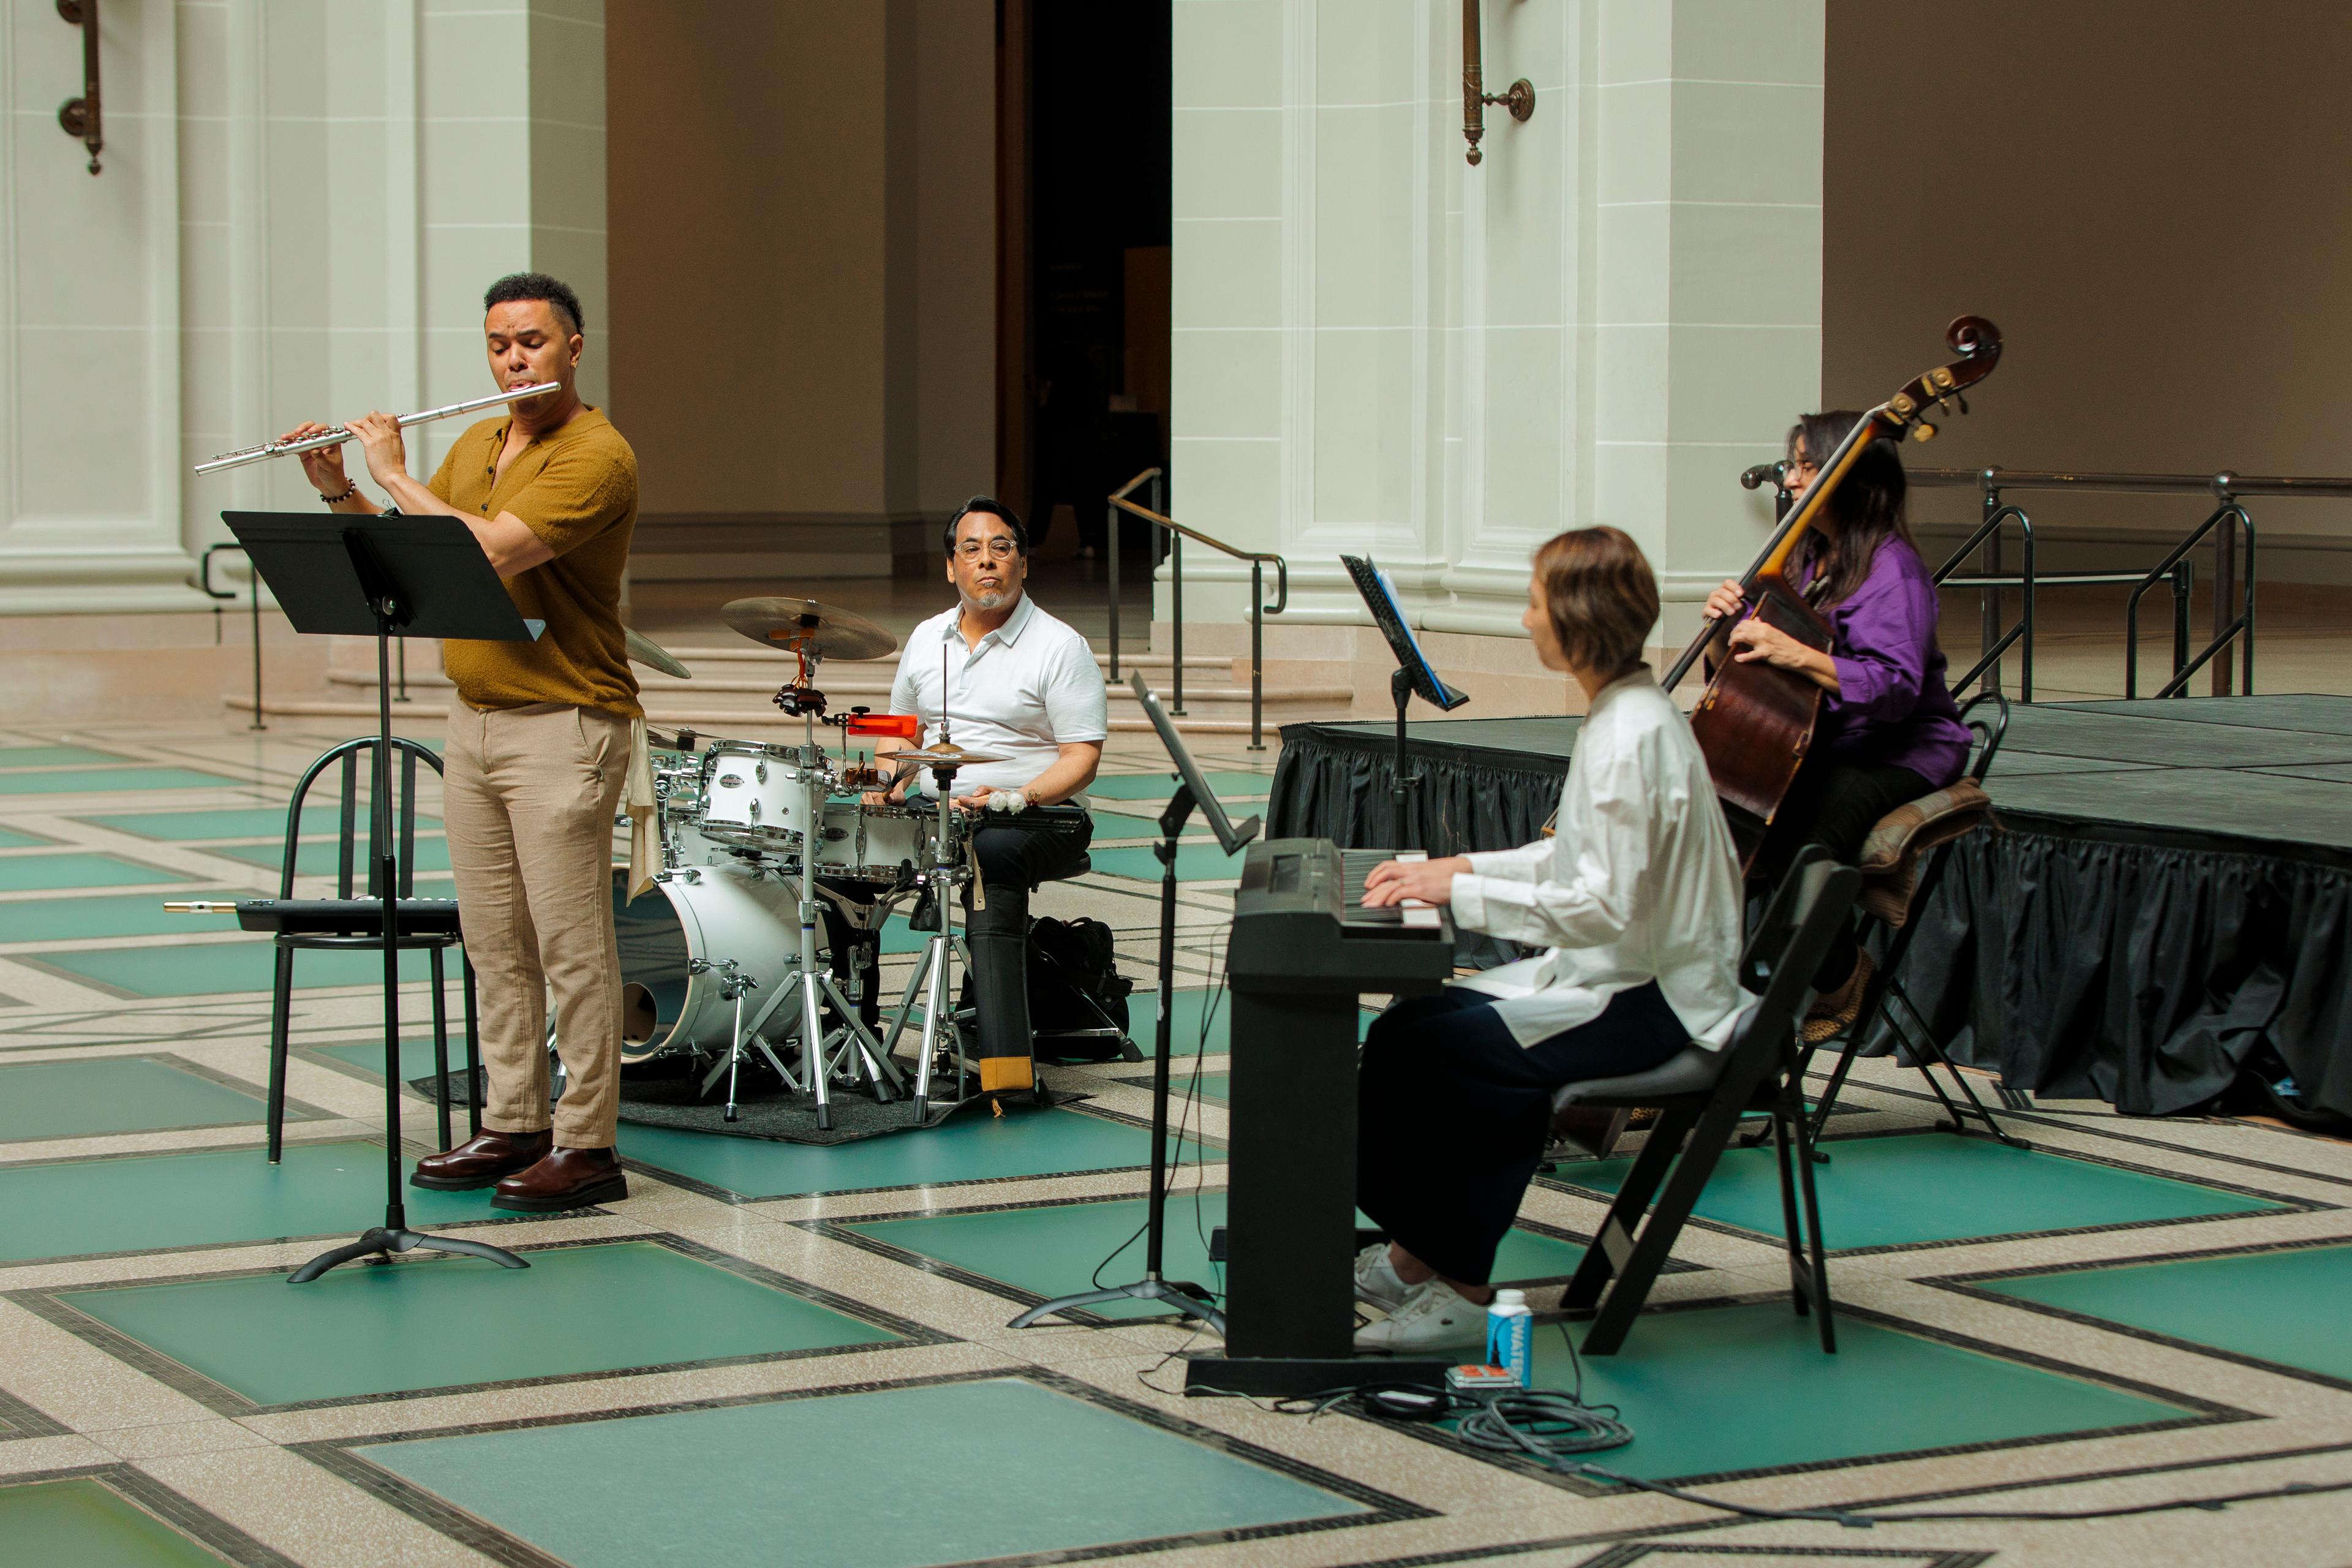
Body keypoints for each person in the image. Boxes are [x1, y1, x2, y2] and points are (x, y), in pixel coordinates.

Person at [283, 271, 641, 1212]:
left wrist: (398, 471)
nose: (512, 358)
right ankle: (515, 1118)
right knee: (494, 943)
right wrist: (343, 491)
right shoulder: (483, 439)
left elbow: (489, 549)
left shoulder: (599, 455)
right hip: (474, 718)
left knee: (570, 947)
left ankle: (588, 1144)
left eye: (531, 341)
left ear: (573, 347)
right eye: (497, 344)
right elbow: (417, 552)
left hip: (566, 718)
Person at [1351, 527, 1746, 1352]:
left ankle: (1460, 1290)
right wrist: (1458, 865)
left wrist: (1456, 892)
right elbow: (1574, 857)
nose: (1527, 620)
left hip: (1656, 999)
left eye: (1535, 603)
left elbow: (1598, 905)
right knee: (1403, 1031)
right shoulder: (1627, 713)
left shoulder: (1633, 734)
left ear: (1575, 619)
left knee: (1446, 1059)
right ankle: (1413, 1258)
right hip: (1623, 974)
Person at [1702, 410, 1973, 1042]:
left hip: (1897, 748)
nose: (1790, 480)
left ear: (1855, 478)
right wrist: (1724, 631)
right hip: (1815, 739)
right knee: (1720, 830)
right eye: (1791, 465)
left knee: (1804, 840)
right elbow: (1742, 671)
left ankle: (1840, 972)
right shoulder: (1803, 557)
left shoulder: (1892, 570)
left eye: (1807, 465)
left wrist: (1797, 653)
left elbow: (1897, 689)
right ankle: (1703, 1008)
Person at [873, 497, 1109, 1096]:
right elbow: (900, 733)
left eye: (1001, 548)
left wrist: (1015, 796)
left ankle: (1004, 1066)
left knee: (990, 854)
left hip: (1038, 816)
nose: (987, 561)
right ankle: (845, 1030)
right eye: (972, 549)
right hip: (936, 812)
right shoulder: (927, 638)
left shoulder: (1060, 645)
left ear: (1022, 564)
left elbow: (1082, 758)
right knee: (840, 857)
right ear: (951, 567)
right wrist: (888, 783)